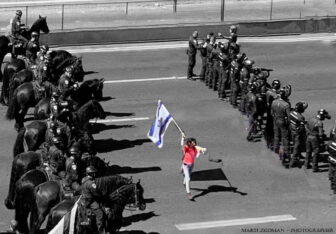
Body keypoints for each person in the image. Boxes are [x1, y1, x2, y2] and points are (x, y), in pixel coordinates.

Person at [180, 134, 207, 200]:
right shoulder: (186, 148)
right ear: (190, 143)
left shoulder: (194, 149)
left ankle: (184, 182)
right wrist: (182, 138)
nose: (195, 143)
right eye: (193, 142)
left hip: (191, 165)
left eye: (195, 142)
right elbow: (182, 145)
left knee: (187, 176)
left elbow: (196, 156)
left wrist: (201, 152)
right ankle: (188, 193)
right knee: (188, 178)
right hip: (185, 165)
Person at [80, 166, 105, 234]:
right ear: (90, 174)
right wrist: (102, 195)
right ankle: (100, 230)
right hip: (90, 200)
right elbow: (96, 193)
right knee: (100, 213)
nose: (95, 174)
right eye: (93, 173)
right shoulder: (91, 183)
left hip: (84, 197)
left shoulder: (84, 179)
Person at [271, 86, 291, 166]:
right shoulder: (286, 104)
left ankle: (276, 148)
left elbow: (271, 113)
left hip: (275, 120)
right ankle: (285, 152)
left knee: (276, 135)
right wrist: (288, 123)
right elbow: (289, 116)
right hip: (282, 121)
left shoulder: (274, 102)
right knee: (284, 137)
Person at [289, 101, 308, 168]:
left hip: (292, 130)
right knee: (296, 146)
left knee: (295, 144)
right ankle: (293, 161)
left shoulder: (291, 112)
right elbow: (302, 128)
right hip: (297, 133)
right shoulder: (300, 117)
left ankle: (299, 155)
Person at [264, 79, 281, 150]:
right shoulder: (276, 94)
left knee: (269, 126)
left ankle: (268, 140)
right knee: (272, 127)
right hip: (273, 111)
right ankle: (271, 142)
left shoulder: (269, 91)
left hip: (269, 111)